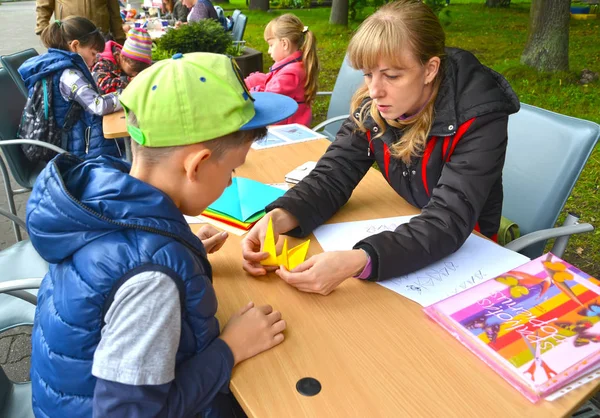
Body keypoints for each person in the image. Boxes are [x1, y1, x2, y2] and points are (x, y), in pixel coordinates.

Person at [27, 52, 298, 417]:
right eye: (232, 169)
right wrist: (231, 348)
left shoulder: (103, 198)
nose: (232, 181)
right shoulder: (151, 280)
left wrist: (179, 244)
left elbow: (112, 275)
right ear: (197, 165)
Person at [241, 0, 520, 295]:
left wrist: (360, 259)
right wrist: (282, 215)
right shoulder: (374, 103)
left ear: (430, 69)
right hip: (412, 222)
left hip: (470, 252)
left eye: (392, 76)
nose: (375, 91)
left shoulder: (478, 114)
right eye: (368, 74)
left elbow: (449, 220)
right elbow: (335, 172)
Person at [19, 17, 124, 159]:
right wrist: (128, 95)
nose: (96, 58)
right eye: (93, 53)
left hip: (75, 139)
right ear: (75, 46)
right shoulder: (69, 74)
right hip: (74, 150)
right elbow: (98, 106)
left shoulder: (60, 65)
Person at [244, 14, 319, 127]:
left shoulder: (291, 73)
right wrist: (252, 80)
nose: (269, 51)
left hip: (287, 131)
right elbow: (271, 80)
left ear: (284, 44)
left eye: (271, 45)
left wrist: (251, 91)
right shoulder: (293, 66)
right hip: (284, 126)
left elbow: (268, 100)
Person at [35, 0, 126, 44]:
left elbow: (114, 12)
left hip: (100, 36)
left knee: (100, 72)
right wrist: (43, 31)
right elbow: (43, 7)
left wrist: (120, 39)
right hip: (68, 36)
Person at [92, 28, 153, 94]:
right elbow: (102, 85)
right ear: (122, 57)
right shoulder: (103, 62)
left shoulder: (127, 60)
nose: (136, 74)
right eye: (134, 70)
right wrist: (129, 81)